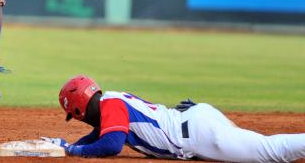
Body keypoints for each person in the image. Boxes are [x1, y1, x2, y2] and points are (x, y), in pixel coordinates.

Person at [42, 75, 305, 162]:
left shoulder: (111, 108)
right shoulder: (111, 101)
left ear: (78, 110)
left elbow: (110, 145)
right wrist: (70, 146)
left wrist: (74, 150)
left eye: (74, 117)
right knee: (257, 144)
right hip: (196, 117)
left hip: (200, 136)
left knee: (271, 152)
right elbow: (101, 136)